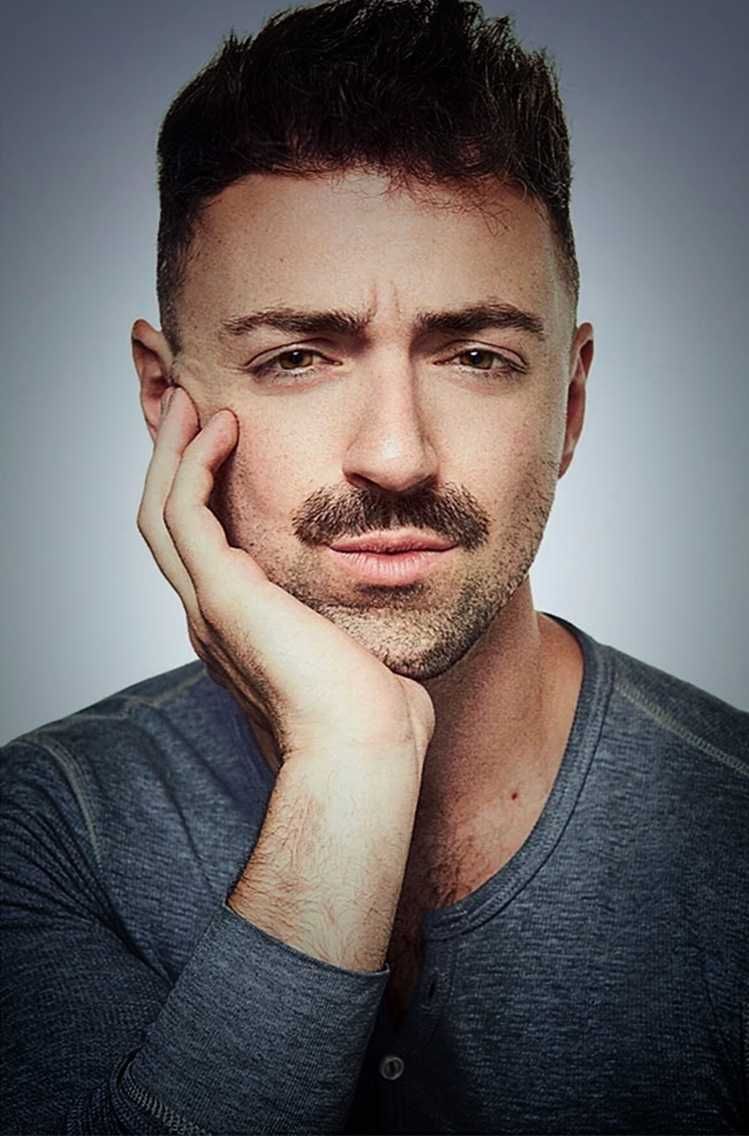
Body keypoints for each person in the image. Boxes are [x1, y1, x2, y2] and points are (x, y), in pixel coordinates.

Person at [1, 0, 747, 1132]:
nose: (396, 455)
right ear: (164, 398)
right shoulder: (49, 825)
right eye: (298, 356)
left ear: (568, 402)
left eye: (476, 356)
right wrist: (350, 764)